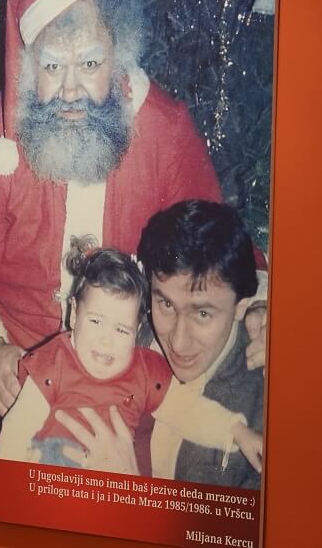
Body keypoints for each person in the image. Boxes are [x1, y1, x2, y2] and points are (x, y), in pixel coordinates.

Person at [0, 0, 249, 456]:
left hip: (124, 357)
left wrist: (260, 305)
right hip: (13, 346)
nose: (71, 89)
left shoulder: (165, 130)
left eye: (89, 62)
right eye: (52, 65)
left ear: (119, 59)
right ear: (28, 70)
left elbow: (213, 247)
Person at [0, 240, 260, 475]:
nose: (107, 340)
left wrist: (235, 430)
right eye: (96, 321)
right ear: (74, 314)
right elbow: (17, 430)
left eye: (121, 329)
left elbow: (187, 411)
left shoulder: (144, 372)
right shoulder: (54, 363)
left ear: (137, 331)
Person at [55, 200, 266, 489]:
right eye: (165, 303)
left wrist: (130, 495)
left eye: (202, 314)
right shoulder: (120, 342)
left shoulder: (265, 408)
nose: (178, 341)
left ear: (242, 307)